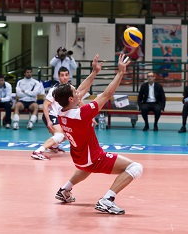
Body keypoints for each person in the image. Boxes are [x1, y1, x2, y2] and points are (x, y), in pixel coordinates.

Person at [52, 54, 143, 215]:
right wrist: (120, 73)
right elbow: (106, 94)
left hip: (79, 158)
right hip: (94, 158)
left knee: (86, 168)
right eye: (75, 91)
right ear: (71, 99)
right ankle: (107, 200)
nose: (78, 90)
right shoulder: (81, 114)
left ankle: (64, 190)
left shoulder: (61, 109)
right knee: (135, 168)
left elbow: (80, 90)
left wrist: (94, 72)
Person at [31, 66, 70, 160]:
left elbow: (79, 101)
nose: (64, 77)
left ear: (69, 76)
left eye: (66, 75)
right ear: (58, 77)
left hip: (59, 117)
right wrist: (48, 121)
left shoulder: (70, 89)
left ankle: (54, 146)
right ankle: (38, 151)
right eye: (62, 75)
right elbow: (45, 105)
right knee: (60, 135)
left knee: (69, 133)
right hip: (50, 115)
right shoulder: (54, 90)